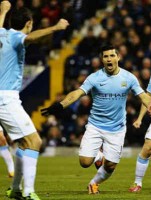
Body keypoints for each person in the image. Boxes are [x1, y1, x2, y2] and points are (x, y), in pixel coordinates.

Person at [41, 45, 151, 194]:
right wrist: (60, 105)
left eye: (112, 56)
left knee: (110, 166)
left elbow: (143, 97)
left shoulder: (128, 78)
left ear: (118, 57)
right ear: (102, 60)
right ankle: (99, 155)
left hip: (117, 129)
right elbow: (77, 93)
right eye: (106, 56)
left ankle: (94, 183)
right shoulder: (94, 78)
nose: (109, 59)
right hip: (95, 126)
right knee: (84, 162)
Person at [0, 1, 69, 200]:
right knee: (35, 141)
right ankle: (29, 192)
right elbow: (30, 38)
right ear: (29, 23)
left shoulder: (2, 34)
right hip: (6, 98)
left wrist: (3, 11)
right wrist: (56, 27)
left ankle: (15, 190)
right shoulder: (15, 37)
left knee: (23, 143)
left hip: (5, 97)